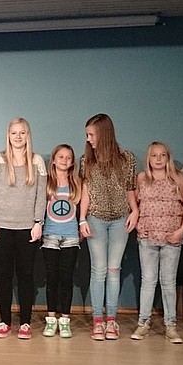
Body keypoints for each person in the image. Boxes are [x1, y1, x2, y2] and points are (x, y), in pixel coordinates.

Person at [79, 114, 138, 341]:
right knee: (99, 270)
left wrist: (135, 211)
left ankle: (111, 320)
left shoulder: (126, 159)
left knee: (114, 271)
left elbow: (130, 188)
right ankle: (98, 320)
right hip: (95, 219)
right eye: (87, 135)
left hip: (120, 220)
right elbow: (85, 192)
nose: (88, 139)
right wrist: (82, 219)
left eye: (91, 134)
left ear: (103, 134)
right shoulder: (87, 161)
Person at [0, 118, 46, 339]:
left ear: (28, 135)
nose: (18, 137)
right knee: (3, 276)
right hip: (1, 227)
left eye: (22, 133)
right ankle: (4, 321)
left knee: (26, 276)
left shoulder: (37, 161)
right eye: (14, 133)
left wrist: (38, 222)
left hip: (28, 228)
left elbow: (41, 196)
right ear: (8, 135)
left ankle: (25, 323)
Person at [130, 142, 183, 343]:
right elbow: (133, 204)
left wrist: (182, 230)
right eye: (154, 155)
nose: (158, 159)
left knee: (168, 282)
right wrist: (137, 226)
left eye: (162, 155)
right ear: (148, 158)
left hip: (171, 238)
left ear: (168, 157)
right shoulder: (142, 178)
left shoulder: (177, 178)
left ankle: (170, 326)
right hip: (147, 238)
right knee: (148, 281)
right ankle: (143, 323)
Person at [40, 144, 82, 339]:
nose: (64, 160)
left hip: (71, 237)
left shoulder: (77, 183)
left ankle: (64, 320)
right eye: (61, 157)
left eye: (68, 157)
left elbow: (82, 210)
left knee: (66, 279)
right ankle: (51, 319)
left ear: (72, 162)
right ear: (54, 160)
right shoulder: (46, 183)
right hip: (50, 236)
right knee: (52, 278)